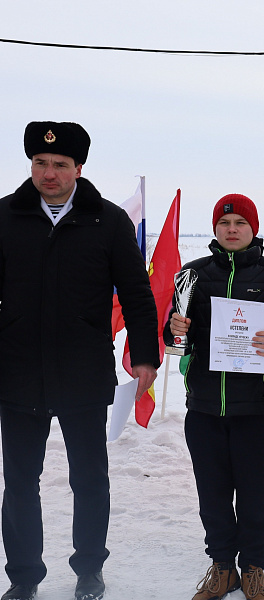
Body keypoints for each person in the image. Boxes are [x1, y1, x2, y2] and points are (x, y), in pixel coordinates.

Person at [0, 121, 159, 600]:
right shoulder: (5, 217)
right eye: (40, 163)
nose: (48, 173)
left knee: (89, 479)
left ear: (79, 168)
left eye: (59, 165)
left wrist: (145, 355)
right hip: (18, 372)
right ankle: (24, 577)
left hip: (83, 373)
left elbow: (136, 293)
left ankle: (90, 568)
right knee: (20, 482)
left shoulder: (108, 222)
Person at [164, 194, 264, 600]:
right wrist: (175, 327)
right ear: (215, 228)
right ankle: (223, 568)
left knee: (252, 496)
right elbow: (175, 338)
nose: (231, 230)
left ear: (253, 229)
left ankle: (254, 568)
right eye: (225, 223)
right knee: (211, 496)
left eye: (240, 223)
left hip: (254, 408)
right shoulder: (191, 275)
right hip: (205, 408)